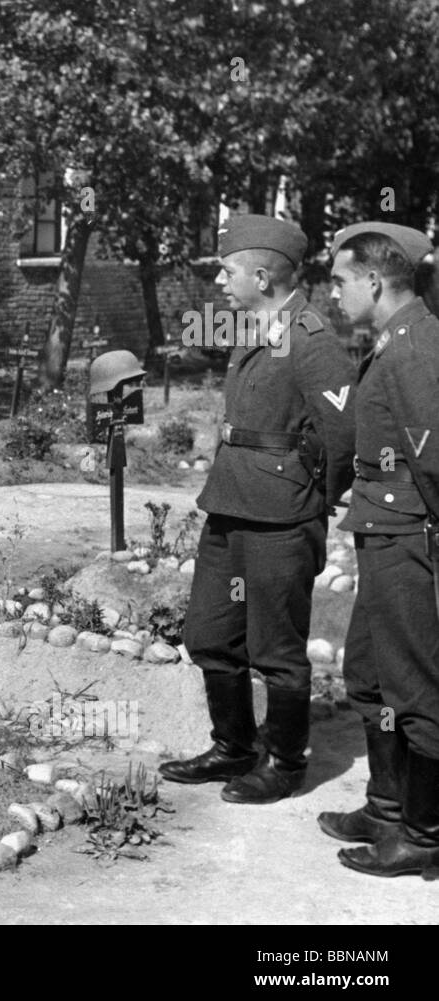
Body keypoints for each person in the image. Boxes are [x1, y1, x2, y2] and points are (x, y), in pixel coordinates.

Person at [160, 214, 356, 804]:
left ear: (263, 274)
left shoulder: (313, 338)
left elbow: (344, 436)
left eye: (227, 269)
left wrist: (310, 504)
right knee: (211, 633)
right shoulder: (251, 327)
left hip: (281, 515)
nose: (220, 280)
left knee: (276, 646)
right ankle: (234, 746)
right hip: (230, 503)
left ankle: (288, 763)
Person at [318, 222, 439, 877]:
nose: (333, 293)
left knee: (415, 687)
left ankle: (423, 833)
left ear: (373, 279)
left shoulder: (417, 346)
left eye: (339, 281)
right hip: (381, 531)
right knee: (369, 676)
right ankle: (388, 807)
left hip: (408, 538)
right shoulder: (392, 341)